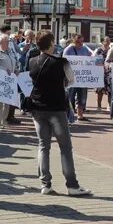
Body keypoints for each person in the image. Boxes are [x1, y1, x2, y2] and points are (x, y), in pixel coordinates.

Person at [28, 30, 91, 196]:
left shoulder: (32, 61)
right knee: (65, 147)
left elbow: (31, 79)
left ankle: (45, 184)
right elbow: (71, 80)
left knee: (43, 146)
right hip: (56, 108)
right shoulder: (61, 62)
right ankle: (72, 185)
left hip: (37, 107)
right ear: (51, 44)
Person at [0, 33, 17, 128]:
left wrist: (16, 70)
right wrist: (4, 70)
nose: (8, 43)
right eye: (7, 42)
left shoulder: (10, 51)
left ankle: (3, 120)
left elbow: (14, 62)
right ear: (1, 43)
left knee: (7, 101)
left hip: (9, 80)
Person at [63, 34, 93, 121]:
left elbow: (91, 58)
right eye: (78, 42)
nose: (80, 44)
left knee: (82, 96)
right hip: (71, 77)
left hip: (82, 77)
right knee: (70, 96)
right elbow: (64, 61)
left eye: (82, 42)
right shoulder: (68, 49)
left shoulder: (85, 49)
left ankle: (80, 115)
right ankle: (69, 115)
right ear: (74, 41)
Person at [94, 36, 112, 110]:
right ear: (103, 42)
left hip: (109, 73)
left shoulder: (111, 50)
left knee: (109, 90)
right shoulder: (99, 50)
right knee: (99, 91)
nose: (107, 42)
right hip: (100, 72)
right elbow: (96, 60)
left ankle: (109, 105)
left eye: (108, 41)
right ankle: (99, 106)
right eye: (106, 41)